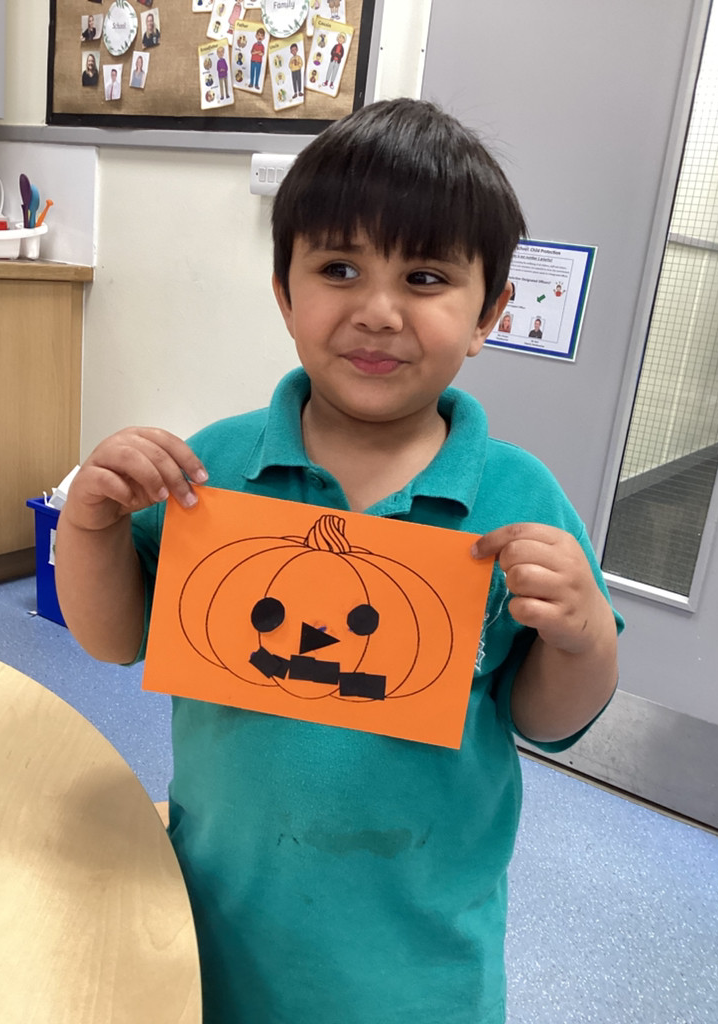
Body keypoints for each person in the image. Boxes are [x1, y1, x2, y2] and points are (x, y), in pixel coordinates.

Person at [56, 98, 622, 1024]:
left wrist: (585, 638)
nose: (378, 312)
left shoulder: (520, 498)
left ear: (489, 313)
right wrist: (90, 527)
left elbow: (544, 719)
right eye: (339, 269)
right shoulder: (214, 469)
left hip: (418, 963)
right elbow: (115, 639)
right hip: (215, 922)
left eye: (426, 277)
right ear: (285, 292)